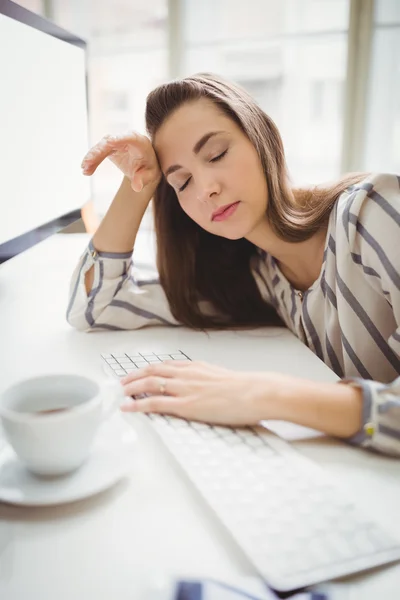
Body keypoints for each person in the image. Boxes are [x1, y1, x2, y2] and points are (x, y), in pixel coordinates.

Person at [67, 73, 400, 457]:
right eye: (182, 182)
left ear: (262, 138)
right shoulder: (259, 277)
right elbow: (94, 308)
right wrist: (138, 184)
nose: (206, 188)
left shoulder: (374, 213)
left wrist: (263, 394)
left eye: (217, 155)